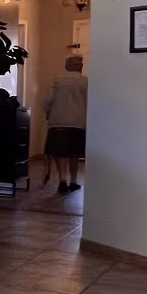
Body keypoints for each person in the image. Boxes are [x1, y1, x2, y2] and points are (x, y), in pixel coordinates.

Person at [42, 55, 89, 193]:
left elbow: (47, 101)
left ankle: (62, 180)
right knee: (74, 153)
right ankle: (73, 181)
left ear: (66, 66)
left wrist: (48, 113)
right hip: (78, 123)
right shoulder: (86, 82)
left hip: (58, 122)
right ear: (80, 66)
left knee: (60, 153)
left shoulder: (57, 80)